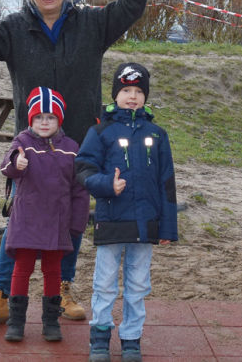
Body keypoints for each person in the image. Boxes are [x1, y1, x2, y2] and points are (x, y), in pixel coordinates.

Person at [0, 0, 155, 329]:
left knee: (73, 218)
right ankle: (0, 295)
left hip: (81, 143)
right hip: (31, 146)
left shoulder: (91, 24)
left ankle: (59, 288)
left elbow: (131, 6)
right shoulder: (13, 30)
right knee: (22, 222)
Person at [76, 62, 178, 362]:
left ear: (145, 96)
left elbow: (167, 182)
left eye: (137, 91)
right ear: (115, 94)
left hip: (145, 225)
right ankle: (100, 337)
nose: (132, 96)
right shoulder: (100, 131)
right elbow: (83, 168)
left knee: (138, 284)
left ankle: (131, 338)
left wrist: (168, 228)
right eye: (125, 90)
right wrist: (107, 185)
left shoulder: (157, 134)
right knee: (105, 282)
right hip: (111, 221)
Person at [0, 86, 88, 343]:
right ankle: (16, 321)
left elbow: (79, 189)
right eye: (39, 117)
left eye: (50, 117)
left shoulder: (71, 148)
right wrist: (17, 163)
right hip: (26, 220)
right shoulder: (22, 142)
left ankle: (50, 321)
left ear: (59, 120)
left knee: (53, 271)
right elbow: (6, 165)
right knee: (21, 269)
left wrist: (77, 223)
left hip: (57, 222)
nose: (44, 122)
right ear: (31, 120)